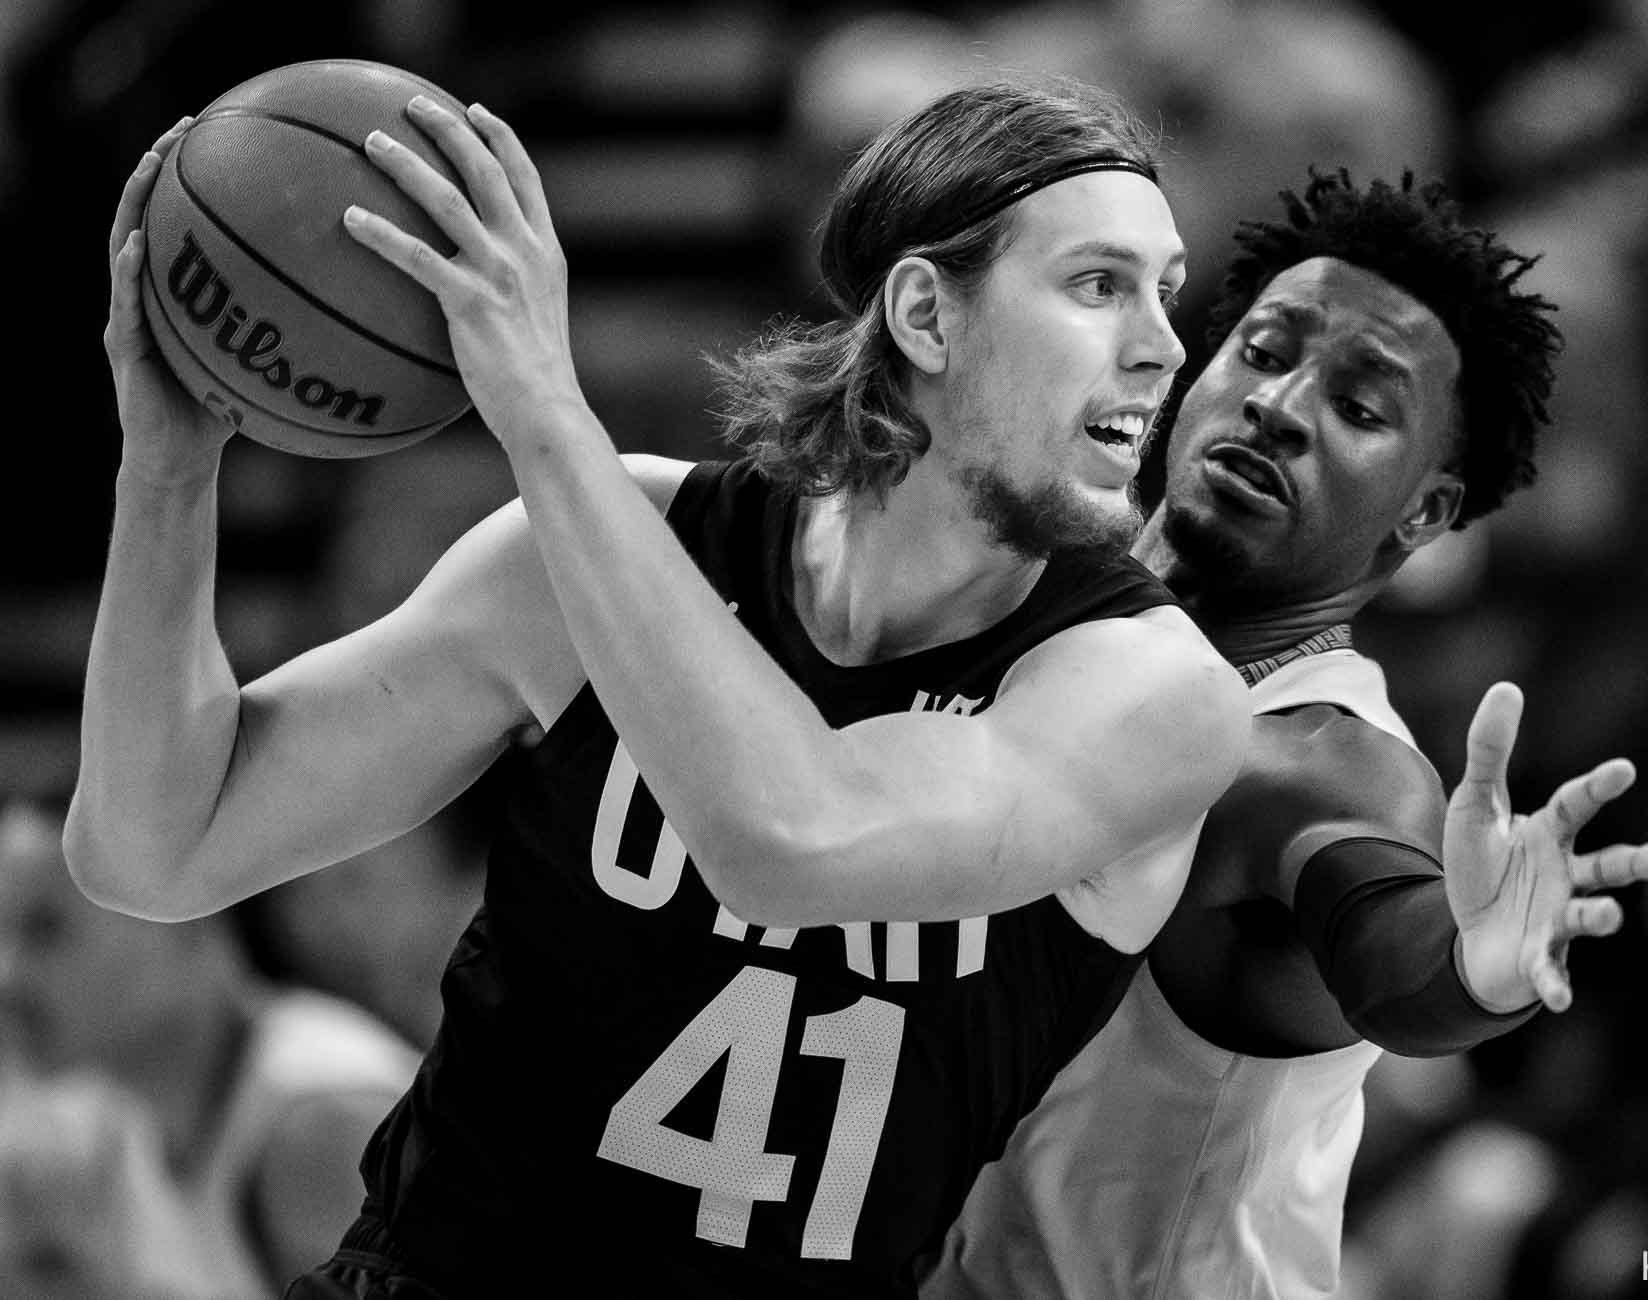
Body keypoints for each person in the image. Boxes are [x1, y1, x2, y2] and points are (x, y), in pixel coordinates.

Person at [78, 80, 1250, 1297]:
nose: (1165, 344)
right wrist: (166, 476)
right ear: (924, 313)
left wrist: (540, 406)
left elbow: (798, 837)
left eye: (1166, 291)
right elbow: (159, 845)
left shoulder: (1151, 692)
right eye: (1099, 284)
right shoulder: (611, 543)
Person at [922, 171, 1648, 1300]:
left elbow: (1399, 963)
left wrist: (1479, 966)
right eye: (1267, 351)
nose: (1280, 405)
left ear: (1425, 510)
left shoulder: (1320, 762)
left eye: (1362, 408)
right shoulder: (1017, 593)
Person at [0, 796, 419, 1296]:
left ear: (185, 912)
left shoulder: (319, 1137)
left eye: (44, 927)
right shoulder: (122, 1128)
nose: (8, 975)